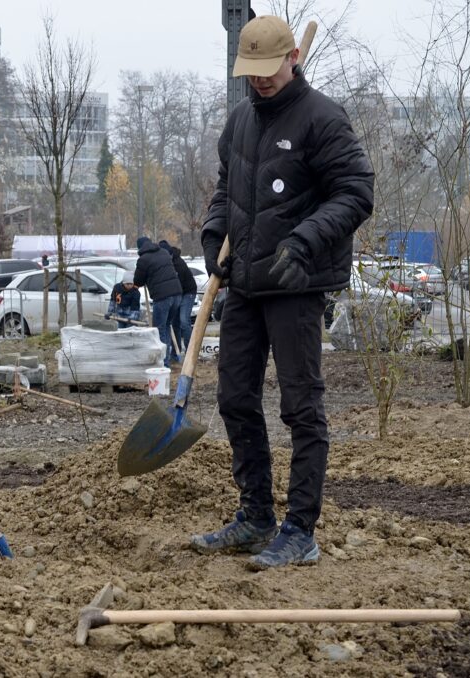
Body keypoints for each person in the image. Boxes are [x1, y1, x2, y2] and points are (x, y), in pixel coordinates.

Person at [190, 15, 374, 569]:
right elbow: (228, 191)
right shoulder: (240, 122)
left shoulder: (324, 119)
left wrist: (303, 241)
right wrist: (212, 234)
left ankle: (300, 530)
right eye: (252, 72)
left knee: (301, 407)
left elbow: (355, 193)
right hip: (244, 281)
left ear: (293, 56)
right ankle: (255, 517)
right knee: (235, 399)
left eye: (270, 69)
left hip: (297, 282)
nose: (261, 80)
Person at [133, 237, 182, 367]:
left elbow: (137, 281)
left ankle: (163, 364)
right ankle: (167, 361)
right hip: (177, 293)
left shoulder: (143, 260)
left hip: (162, 297)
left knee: (159, 329)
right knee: (166, 326)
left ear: (140, 248)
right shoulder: (164, 252)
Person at [160, 242, 198, 354]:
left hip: (188, 292)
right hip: (177, 293)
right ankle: (176, 351)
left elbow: (177, 284)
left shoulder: (178, 264)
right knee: (174, 322)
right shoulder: (167, 262)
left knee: (184, 321)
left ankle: (190, 351)